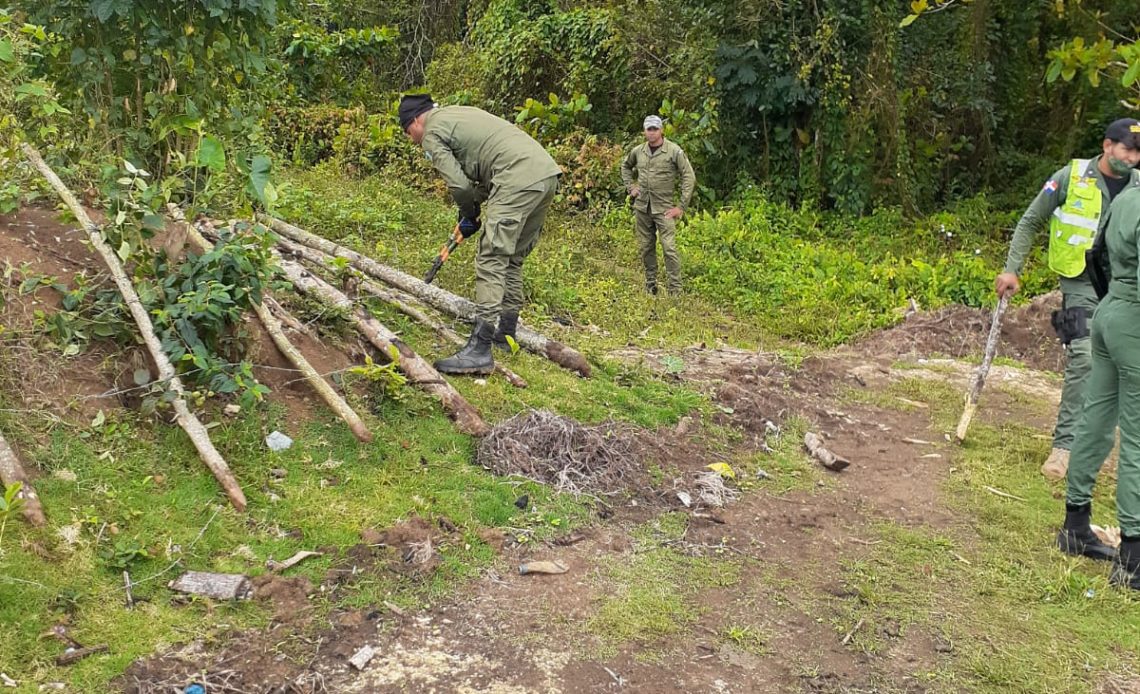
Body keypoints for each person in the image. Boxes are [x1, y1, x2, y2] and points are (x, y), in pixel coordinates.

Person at [995, 118, 1140, 480]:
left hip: (1124, 287)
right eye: (1128, 149)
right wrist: (1012, 269)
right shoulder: (1071, 176)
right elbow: (1030, 221)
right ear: (1108, 146)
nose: (1134, 158)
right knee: (1084, 356)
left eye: (1138, 152)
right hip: (1079, 283)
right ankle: (1063, 447)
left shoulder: (1138, 187)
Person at [399, 94, 561, 375]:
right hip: (545, 175)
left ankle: (480, 349)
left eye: (408, 132)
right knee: (511, 258)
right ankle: (505, 335)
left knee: (491, 257)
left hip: (517, 176)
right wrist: (469, 213)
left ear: (415, 120)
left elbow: (459, 187)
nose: (412, 140)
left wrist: (469, 211)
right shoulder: (459, 114)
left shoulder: (432, 132)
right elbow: (487, 172)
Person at [1058, 140, 1140, 588]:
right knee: (1138, 438)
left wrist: (1113, 300)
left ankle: (1075, 525)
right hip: (1133, 318)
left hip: (1110, 312)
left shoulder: (1127, 195)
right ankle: (1132, 556)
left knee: (1096, 418)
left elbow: (1095, 255)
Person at [620, 115, 696, 295]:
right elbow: (625, 167)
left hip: (664, 209)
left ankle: (675, 290)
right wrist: (631, 187)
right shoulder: (638, 151)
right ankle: (651, 284)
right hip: (643, 208)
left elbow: (689, 176)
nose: (652, 132)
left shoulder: (673, 151)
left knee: (669, 248)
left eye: (655, 129)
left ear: (661, 130)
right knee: (646, 247)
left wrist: (681, 207)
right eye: (649, 129)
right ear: (644, 131)